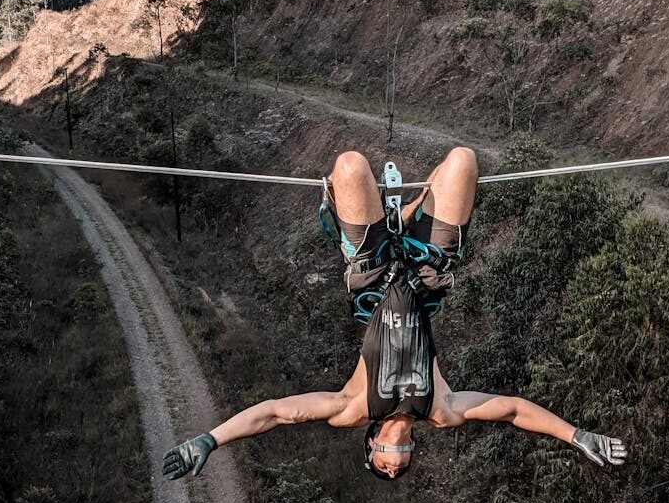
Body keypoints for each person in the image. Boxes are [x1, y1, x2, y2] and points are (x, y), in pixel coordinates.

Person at [163, 147, 627, 481]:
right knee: (464, 160)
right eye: (398, 469)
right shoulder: (441, 410)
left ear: (370, 443)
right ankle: (408, 212)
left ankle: (386, 219)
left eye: (382, 466)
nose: (394, 466)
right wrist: (578, 437)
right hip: (428, 272)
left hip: (373, 274)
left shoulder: (352, 408)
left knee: (350, 165)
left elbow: (274, 414)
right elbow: (513, 409)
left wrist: (209, 440)